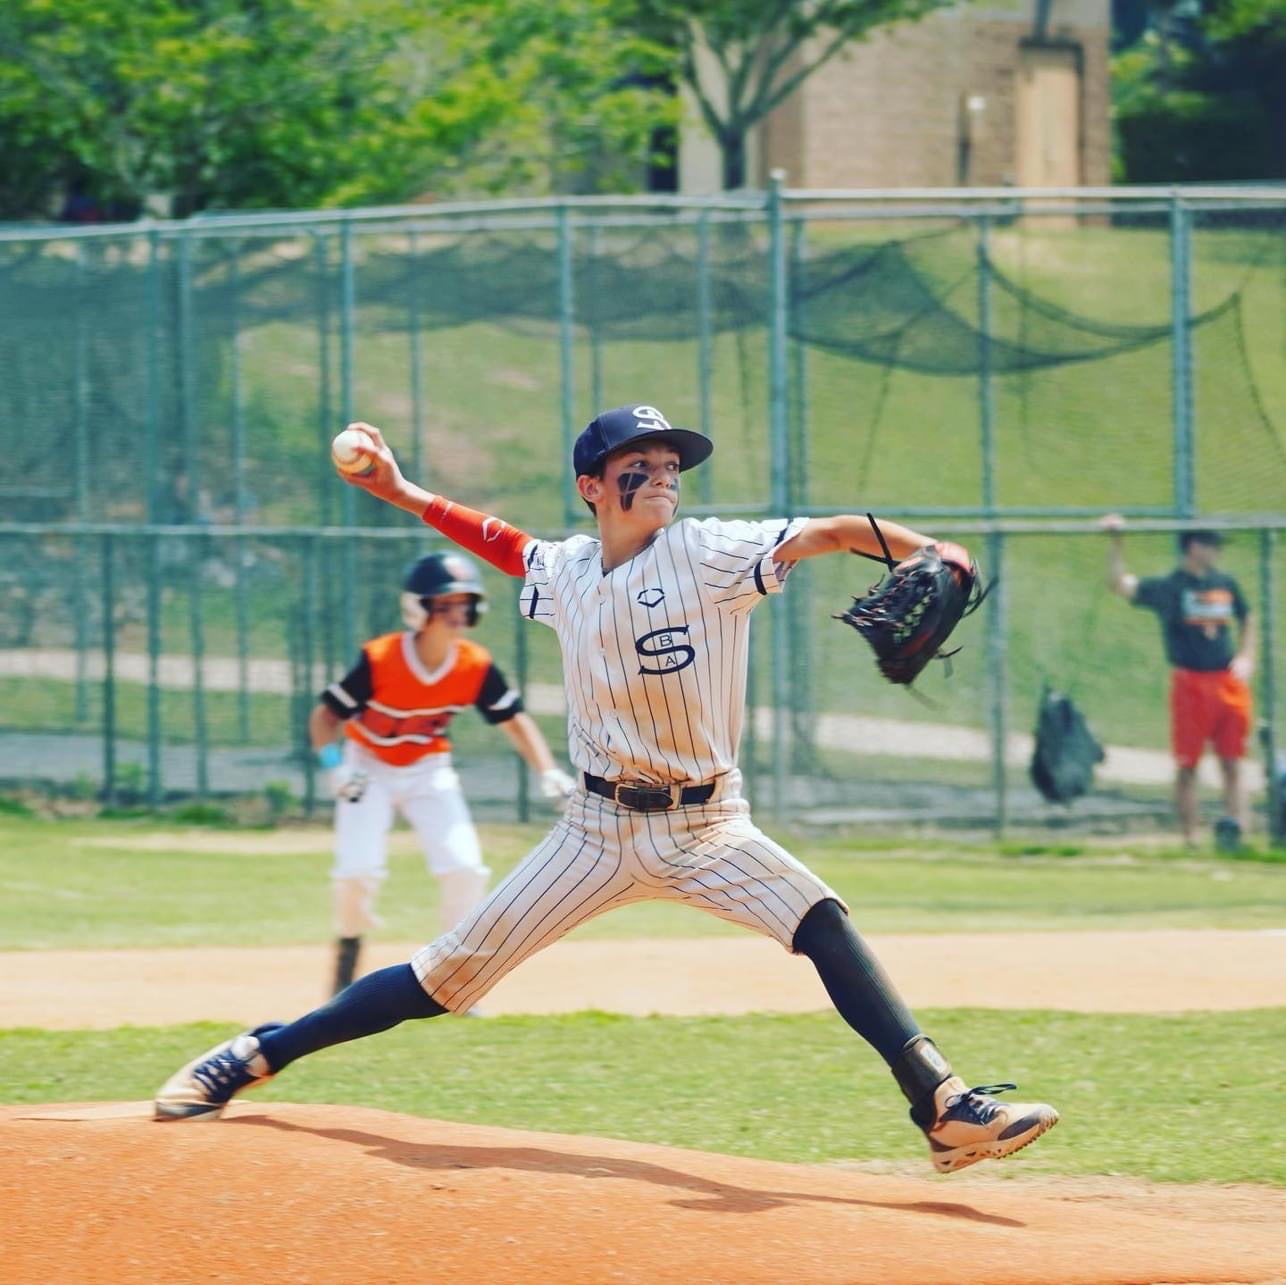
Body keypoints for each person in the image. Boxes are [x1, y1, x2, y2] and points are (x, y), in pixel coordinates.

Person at [155, 404, 1058, 1174]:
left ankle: (943, 1107)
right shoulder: (567, 572)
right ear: (592, 484)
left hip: (709, 822)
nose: (664, 475)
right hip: (592, 830)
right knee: (446, 973)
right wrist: (398, 491)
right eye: (641, 464)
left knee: (820, 916)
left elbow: (822, 533)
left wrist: (928, 549)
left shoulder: (708, 553)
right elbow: (501, 543)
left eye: (671, 464)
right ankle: (257, 1052)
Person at [311, 550, 576, 995]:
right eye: (444, 603)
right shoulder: (381, 659)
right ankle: (346, 964)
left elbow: (515, 719)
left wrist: (548, 771)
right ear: (419, 607)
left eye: (463, 603)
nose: (456, 613)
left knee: (465, 868)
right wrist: (334, 768)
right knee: (358, 872)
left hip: (429, 771)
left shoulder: (473, 664)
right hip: (367, 767)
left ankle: (452, 978)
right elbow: (324, 718)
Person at [1101, 515, 1255, 850]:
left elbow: (1246, 616)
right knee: (1188, 764)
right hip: (1191, 683)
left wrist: (1246, 656)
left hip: (1227, 681)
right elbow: (1120, 585)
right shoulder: (1172, 587)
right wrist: (1117, 541)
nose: (1216, 552)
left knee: (1233, 761)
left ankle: (1237, 830)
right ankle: (1191, 838)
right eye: (1211, 545)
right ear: (1194, 547)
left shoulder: (1224, 583)